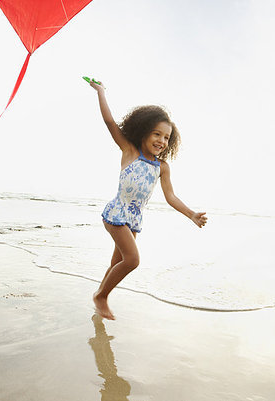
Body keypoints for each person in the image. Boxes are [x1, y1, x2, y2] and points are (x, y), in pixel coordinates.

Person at [88, 79, 207, 320]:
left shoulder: (162, 167)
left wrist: (191, 214)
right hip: (116, 215)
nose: (161, 141)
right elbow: (110, 122)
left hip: (132, 220)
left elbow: (170, 196)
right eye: (157, 134)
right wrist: (101, 92)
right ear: (143, 131)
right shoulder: (129, 151)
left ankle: (100, 294)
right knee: (132, 260)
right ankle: (101, 297)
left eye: (166, 137)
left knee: (117, 262)